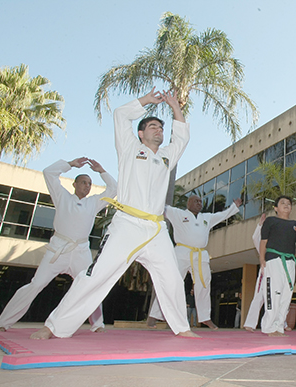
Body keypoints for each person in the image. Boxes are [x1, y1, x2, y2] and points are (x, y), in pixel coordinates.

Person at [30, 88, 196, 339]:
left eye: (161, 128)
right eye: (153, 126)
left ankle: (182, 328)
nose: (158, 130)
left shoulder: (166, 157)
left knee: (172, 278)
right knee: (95, 276)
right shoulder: (130, 147)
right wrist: (146, 101)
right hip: (127, 225)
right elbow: (120, 115)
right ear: (141, 133)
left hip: (156, 229)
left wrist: (175, 108)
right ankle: (54, 326)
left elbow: (181, 139)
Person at [0, 158, 117, 333]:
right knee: (36, 284)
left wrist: (101, 170)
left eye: (89, 183)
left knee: (89, 285)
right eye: (83, 182)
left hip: (81, 251)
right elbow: (48, 173)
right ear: (74, 184)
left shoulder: (94, 202)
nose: (87, 186)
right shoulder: (62, 196)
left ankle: (97, 325)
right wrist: (70, 164)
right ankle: (3, 322)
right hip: (58, 249)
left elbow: (114, 189)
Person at [146, 195, 242, 330]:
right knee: (171, 282)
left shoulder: (206, 218)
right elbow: (160, 207)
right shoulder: (177, 213)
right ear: (188, 203)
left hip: (200, 254)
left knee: (204, 284)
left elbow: (222, 215)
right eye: (196, 201)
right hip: (182, 252)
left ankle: (205, 318)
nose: (199, 203)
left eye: (201, 202)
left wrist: (234, 207)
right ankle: (154, 316)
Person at [259, 196, 296, 337]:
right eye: (282, 203)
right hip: (274, 260)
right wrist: (262, 260)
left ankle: (279, 326)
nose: (286, 205)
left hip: (290, 261)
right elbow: (263, 242)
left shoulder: (295, 224)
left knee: (286, 294)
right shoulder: (271, 221)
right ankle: (268, 327)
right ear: (276, 208)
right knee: (274, 292)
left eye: (289, 203)